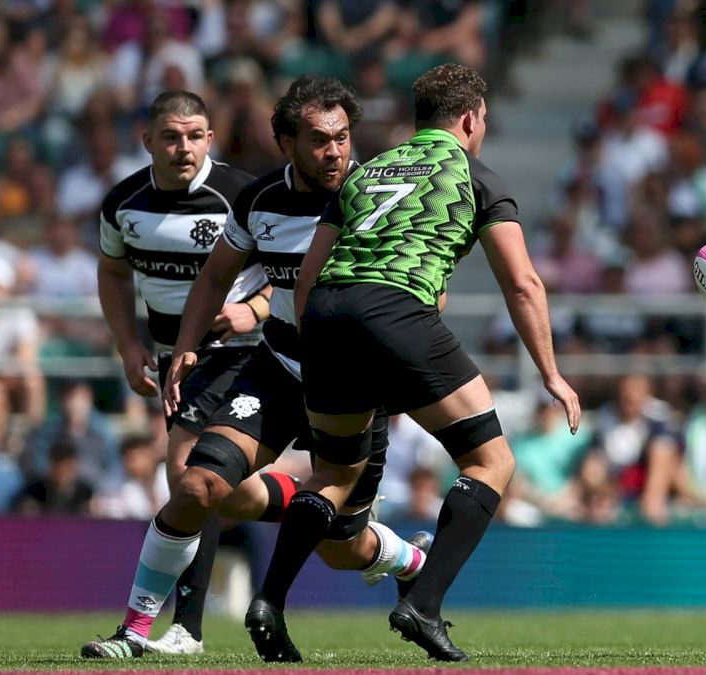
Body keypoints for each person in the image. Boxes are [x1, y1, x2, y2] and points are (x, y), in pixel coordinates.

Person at [254, 63, 579, 663]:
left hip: (324, 317)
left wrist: (321, 346)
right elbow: (525, 285)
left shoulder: (367, 173)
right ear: (471, 118)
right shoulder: (476, 176)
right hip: (396, 310)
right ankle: (422, 604)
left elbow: (307, 276)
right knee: (492, 460)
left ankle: (269, 600)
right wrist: (551, 374)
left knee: (331, 476)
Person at [158, 76, 430, 663]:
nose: (334, 152)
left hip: (354, 388)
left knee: (340, 547)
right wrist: (185, 345)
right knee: (206, 484)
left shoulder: (380, 198)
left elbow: (424, 290)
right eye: (317, 140)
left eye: (342, 137)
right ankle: (144, 630)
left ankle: (409, 559)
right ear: (285, 142)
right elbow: (213, 277)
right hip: (279, 368)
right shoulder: (259, 201)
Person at [86, 90, 288, 657]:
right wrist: (128, 345)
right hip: (175, 362)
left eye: (196, 135)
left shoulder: (242, 196)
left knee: (187, 474)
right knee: (228, 494)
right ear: (147, 140)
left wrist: (254, 308)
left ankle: (181, 629)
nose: (185, 147)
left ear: (210, 138)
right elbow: (113, 272)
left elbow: (291, 266)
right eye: (172, 137)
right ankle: (331, 511)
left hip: (244, 351)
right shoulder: (123, 203)